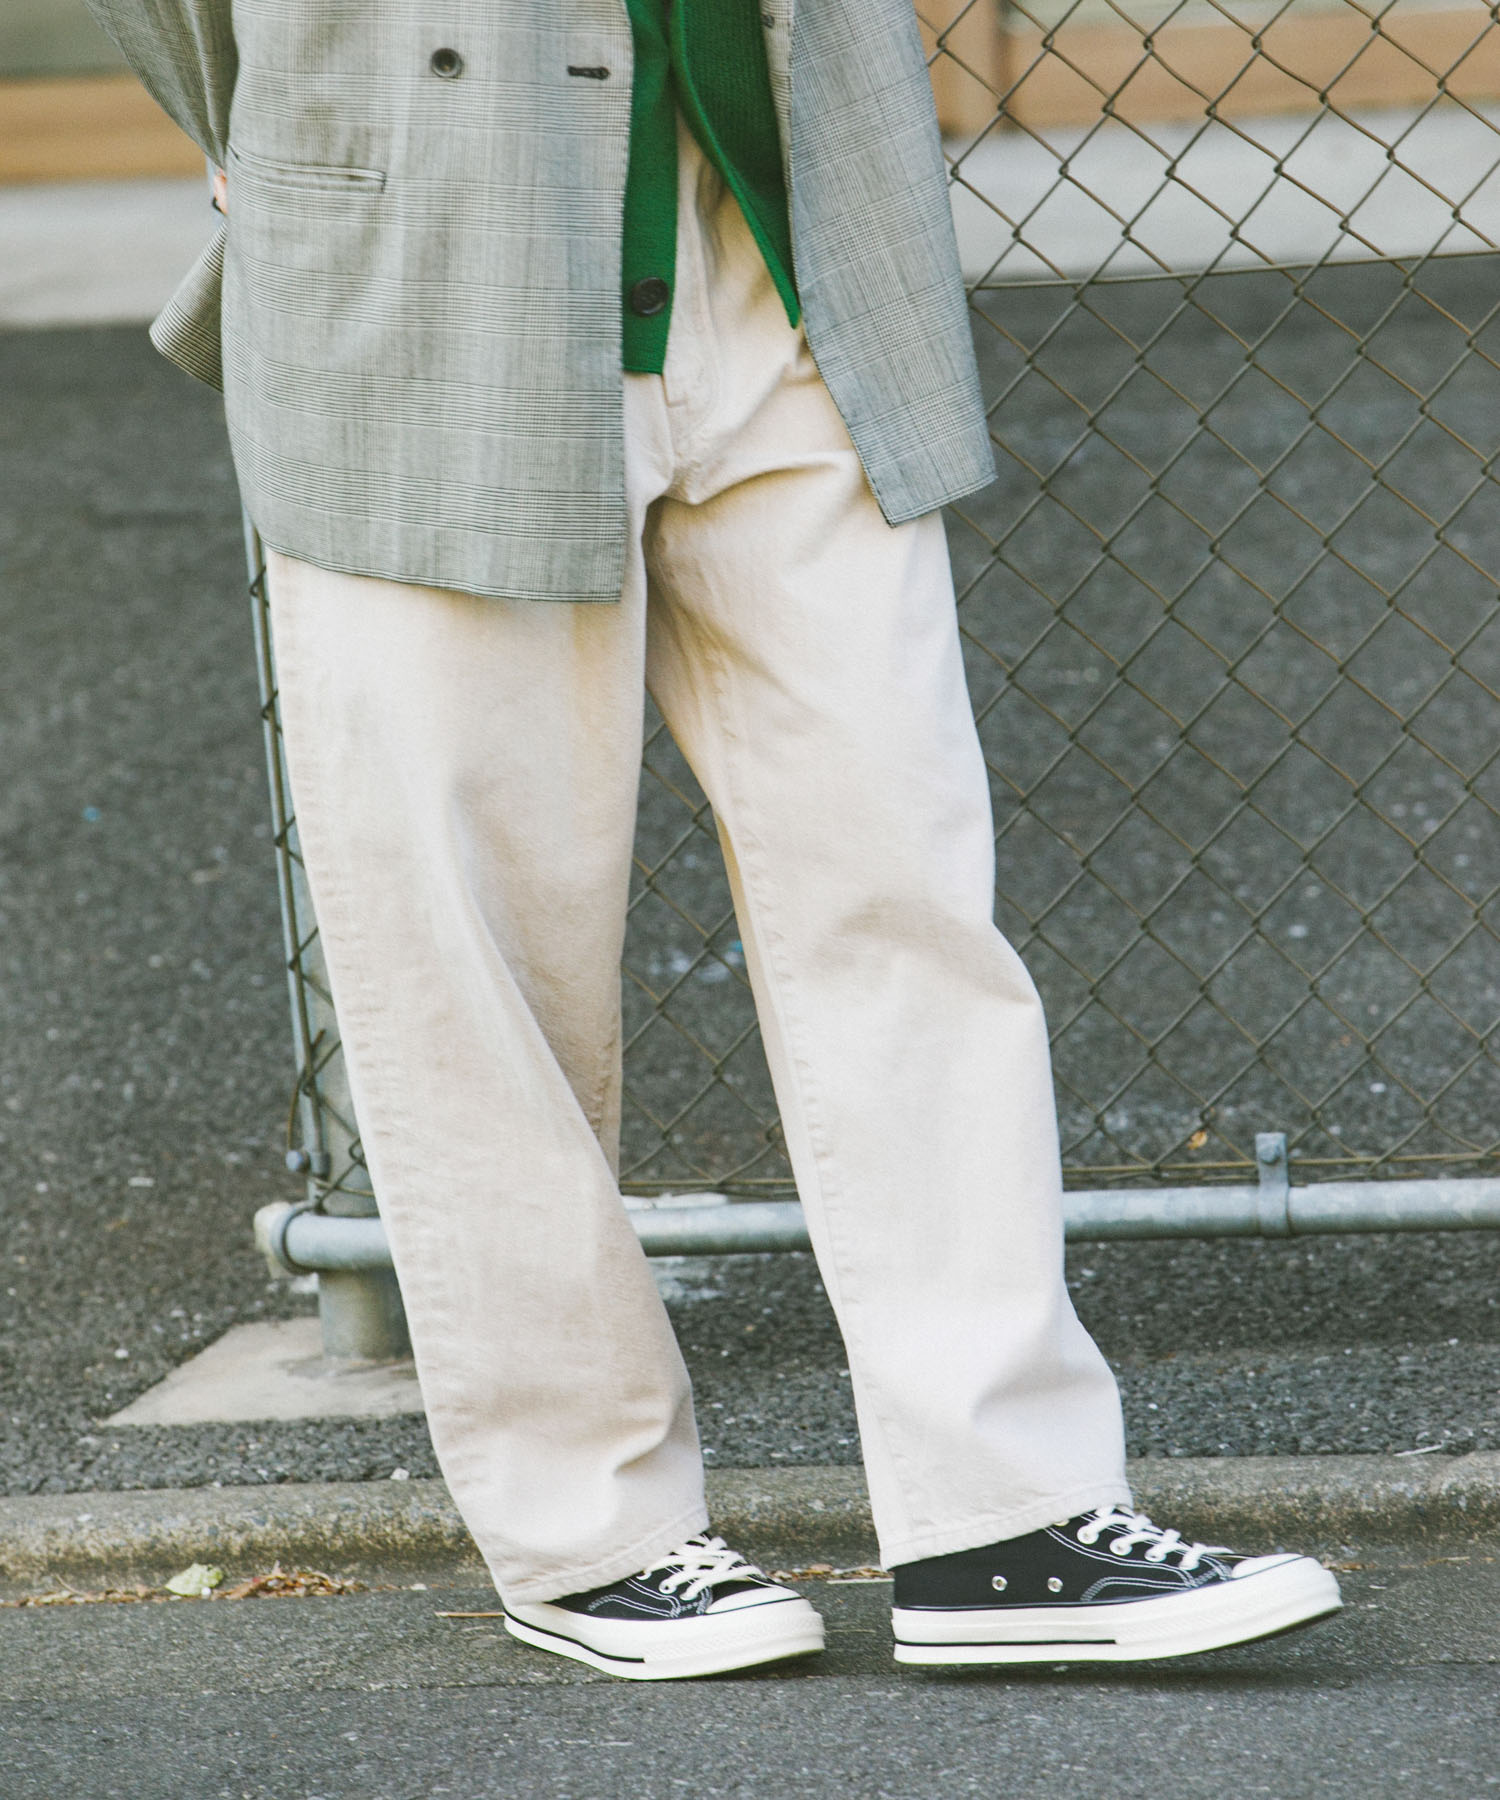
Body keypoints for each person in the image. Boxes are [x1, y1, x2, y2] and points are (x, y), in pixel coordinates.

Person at [85, 0, 1341, 1679]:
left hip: (786, 231)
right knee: (485, 951)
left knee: (901, 891)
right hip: (434, 240)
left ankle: (1005, 1510)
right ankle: (590, 1528)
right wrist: (283, 128)